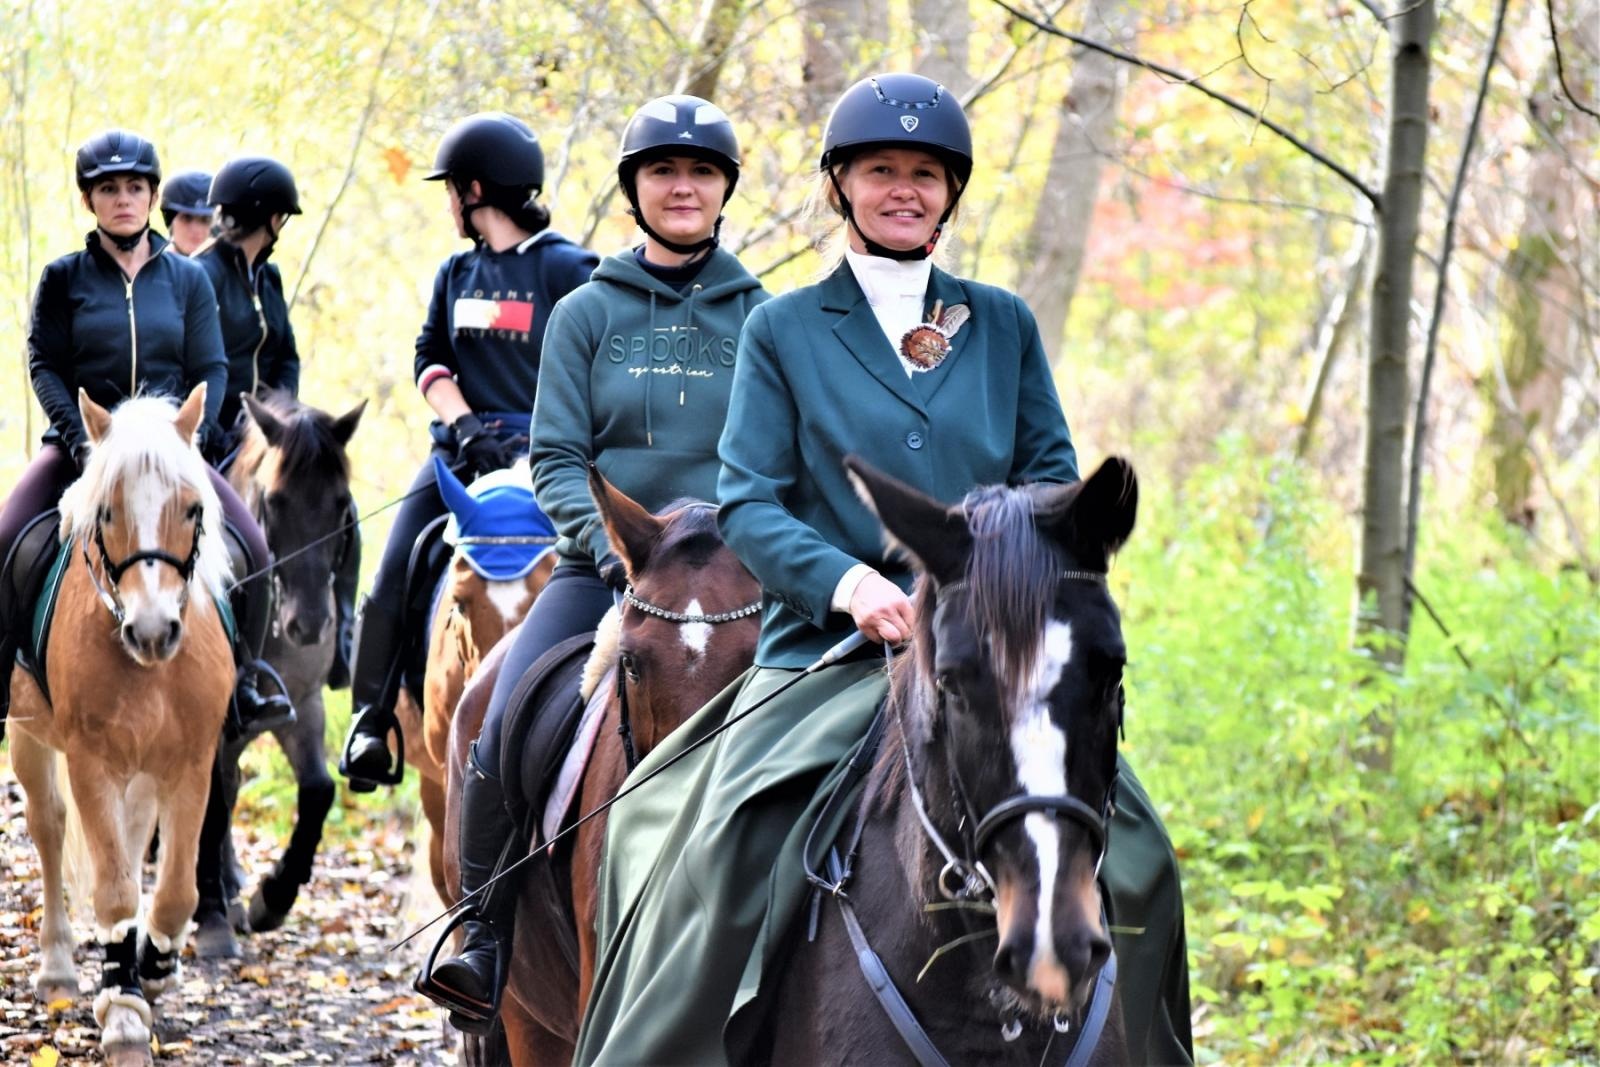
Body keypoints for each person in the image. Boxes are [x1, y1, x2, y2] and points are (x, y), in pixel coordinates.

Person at [573, 74, 1194, 1065]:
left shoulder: (1001, 324)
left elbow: (1049, 477)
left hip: (992, 648)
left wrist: (999, 560)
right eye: (878, 171)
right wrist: (849, 584)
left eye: (922, 173)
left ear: (949, 191)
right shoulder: (782, 329)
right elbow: (747, 500)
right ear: (839, 186)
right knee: (700, 844)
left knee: (1145, 857)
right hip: (828, 651)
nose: (901, 188)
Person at [414, 93, 769, 1034]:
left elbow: (785, 457)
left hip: (740, 580)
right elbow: (559, 454)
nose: (682, 186)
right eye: (663, 171)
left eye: (700, 172)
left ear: (725, 189)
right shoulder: (585, 310)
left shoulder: (768, 316)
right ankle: (482, 933)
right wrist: (617, 548)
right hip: (609, 565)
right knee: (501, 703)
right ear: (635, 190)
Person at [0, 129, 291, 740]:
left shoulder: (188, 281)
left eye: (135, 187)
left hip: (170, 454)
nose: (123, 199)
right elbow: (43, 363)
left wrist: (192, 436)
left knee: (255, 553)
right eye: (109, 189)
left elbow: (210, 367)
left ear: (153, 195)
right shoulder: (63, 279)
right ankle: (5, 675)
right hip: (86, 449)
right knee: (8, 538)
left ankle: (248, 682)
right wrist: (83, 439)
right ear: (89, 201)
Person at [338, 112, 598, 790]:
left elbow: (594, 364)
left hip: (551, 455)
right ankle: (371, 721)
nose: (449, 203)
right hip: (462, 451)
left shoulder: (570, 268)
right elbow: (431, 357)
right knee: (395, 567)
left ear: (475, 190)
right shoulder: (456, 272)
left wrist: (542, 434)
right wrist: (464, 425)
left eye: (451, 189)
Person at [160, 169, 214, 255]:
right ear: (170, 221)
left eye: (205, 219)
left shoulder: (229, 265)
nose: (197, 229)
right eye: (187, 218)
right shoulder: (151, 266)